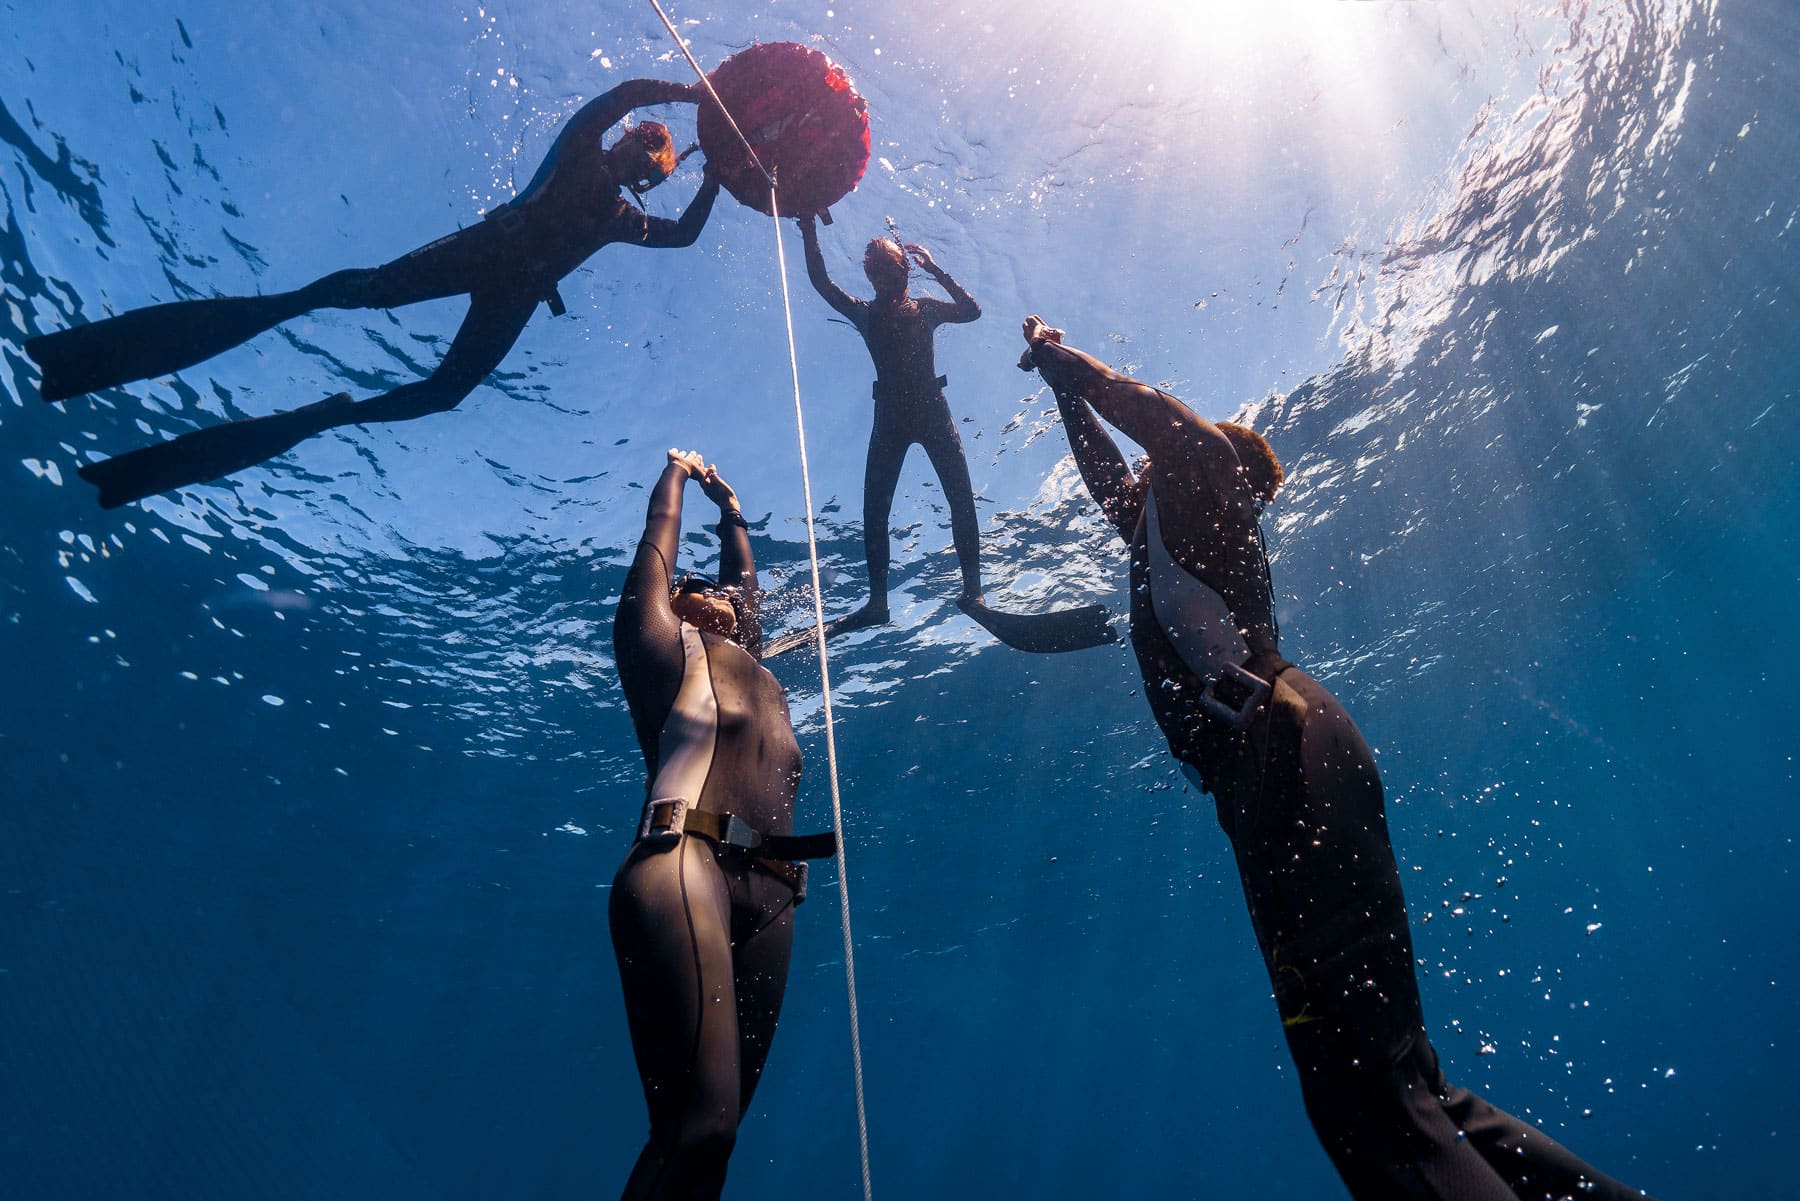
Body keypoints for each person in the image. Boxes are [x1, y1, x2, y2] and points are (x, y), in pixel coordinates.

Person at [1020, 316, 1657, 1201]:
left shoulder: (1206, 467)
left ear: (1224, 470)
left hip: (1277, 747)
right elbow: (1108, 480)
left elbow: (1155, 418)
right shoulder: (1164, 522)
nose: (1148, 476)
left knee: (1369, 1103)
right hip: (1278, 752)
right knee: (1406, 1082)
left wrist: (1063, 358)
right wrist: (1062, 396)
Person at [29, 78, 722, 509]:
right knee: (357, 293)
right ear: (622, 142)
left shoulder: (625, 218)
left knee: (445, 392)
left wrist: (717, 172)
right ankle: (285, 307)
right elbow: (621, 95)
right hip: (486, 251)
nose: (646, 152)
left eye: (656, 157)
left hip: (516, 291)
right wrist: (692, 98)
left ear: (651, 177)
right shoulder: (579, 148)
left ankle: (332, 414)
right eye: (643, 141)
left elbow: (684, 237)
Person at [610, 448, 836, 1201]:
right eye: (692, 586)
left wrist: (732, 508)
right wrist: (677, 474)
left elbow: (746, 585)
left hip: (773, 896)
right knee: (698, 1130)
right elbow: (658, 536)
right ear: (668, 600)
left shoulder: (757, 664)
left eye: (730, 595)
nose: (721, 596)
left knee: (716, 1140)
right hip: (684, 861)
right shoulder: (657, 646)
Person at [773, 215, 1111, 656]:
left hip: (933, 411)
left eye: (889, 266)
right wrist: (807, 228)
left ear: (904, 270)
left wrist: (935, 267)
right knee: (875, 511)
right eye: (873, 269)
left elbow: (972, 311)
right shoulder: (863, 312)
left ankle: (974, 591)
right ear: (870, 275)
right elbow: (820, 282)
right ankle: (877, 602)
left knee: (961, 499)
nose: (880, 274)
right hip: (890, 418)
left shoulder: (926, 309)